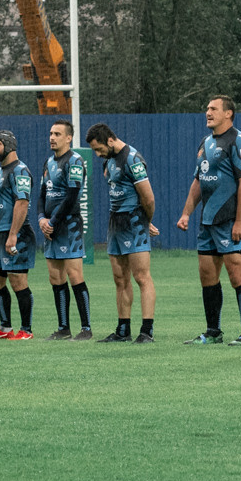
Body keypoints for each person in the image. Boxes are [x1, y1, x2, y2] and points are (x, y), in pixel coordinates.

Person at [177, 96, 241, 346]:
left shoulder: (238, 140)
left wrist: (240, 221)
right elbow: (199, 181)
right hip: (207, 221)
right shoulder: (205, 142)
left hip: (229, 219)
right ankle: (213, 332)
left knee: (236, 274)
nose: (207, 112)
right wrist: (187, 213)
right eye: (207, 109)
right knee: (207, 275)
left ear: (228, 113)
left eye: (213, 109)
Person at [85, 123, 157, 342]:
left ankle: (146, 331)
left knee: (141, 277)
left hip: (134, 222)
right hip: (115, 222)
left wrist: (147, 221)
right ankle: (123, 331)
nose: (97, 155)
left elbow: (148, 197)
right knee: (119, 279)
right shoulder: (108, 161)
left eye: (99, 149)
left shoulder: (132, 158)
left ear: (109, 140)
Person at [39, 120, 94, 339]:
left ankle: (86, 328)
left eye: (58, 134)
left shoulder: (75, 161)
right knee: (55, 277)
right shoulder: (48, 162)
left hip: (68, 225)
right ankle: (63, 328)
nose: (52, 137)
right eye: (51, 133)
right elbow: (42, 194)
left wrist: (52, 222)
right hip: (50, 227)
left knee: (74, 275)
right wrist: (42, 218)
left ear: (68, 138)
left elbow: (72, 195)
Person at [0, 129, 36, 338]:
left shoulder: (20, 170)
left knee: (18, 280)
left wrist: (13, 234)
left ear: (9, 146)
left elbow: (22, 203)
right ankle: (5, 329)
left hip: (18, 233)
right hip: (0, 234)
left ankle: (26, 330)